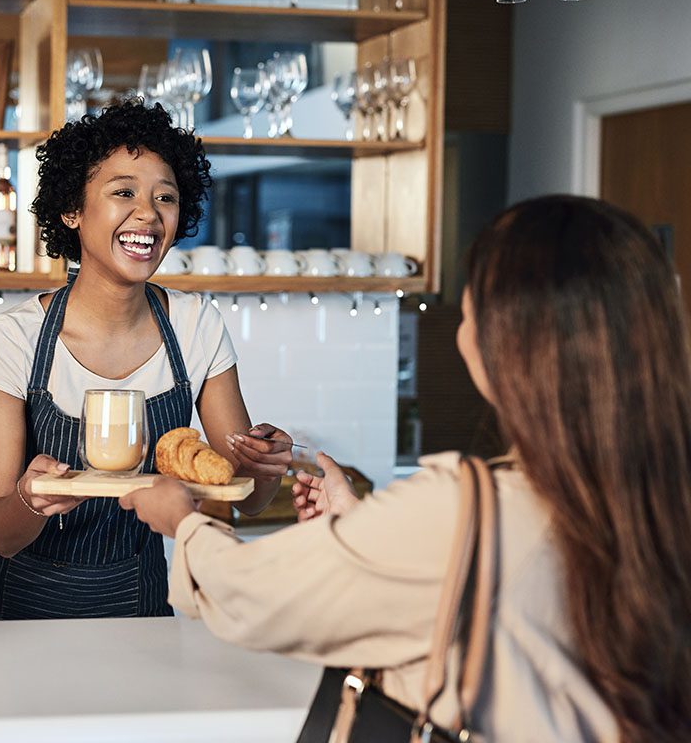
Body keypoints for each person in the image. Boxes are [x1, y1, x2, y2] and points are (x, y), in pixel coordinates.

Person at [122, 196, 691, 741]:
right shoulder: (660, 496)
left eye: (471, 313)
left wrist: (184, 524)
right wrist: (363, 524)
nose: (464, 328)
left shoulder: (461, 508)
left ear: (509, 347)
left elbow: (257, 596)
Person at [0, 99, 295, 621]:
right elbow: (2, 534)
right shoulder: (11, 340)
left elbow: (243, 497)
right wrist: (32, 498)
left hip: (138, 603)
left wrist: (265, 466)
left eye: (166, 197)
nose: (148, 214)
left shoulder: (195, 326)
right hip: (14, 612)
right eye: (123, 193)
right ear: (71, 209)